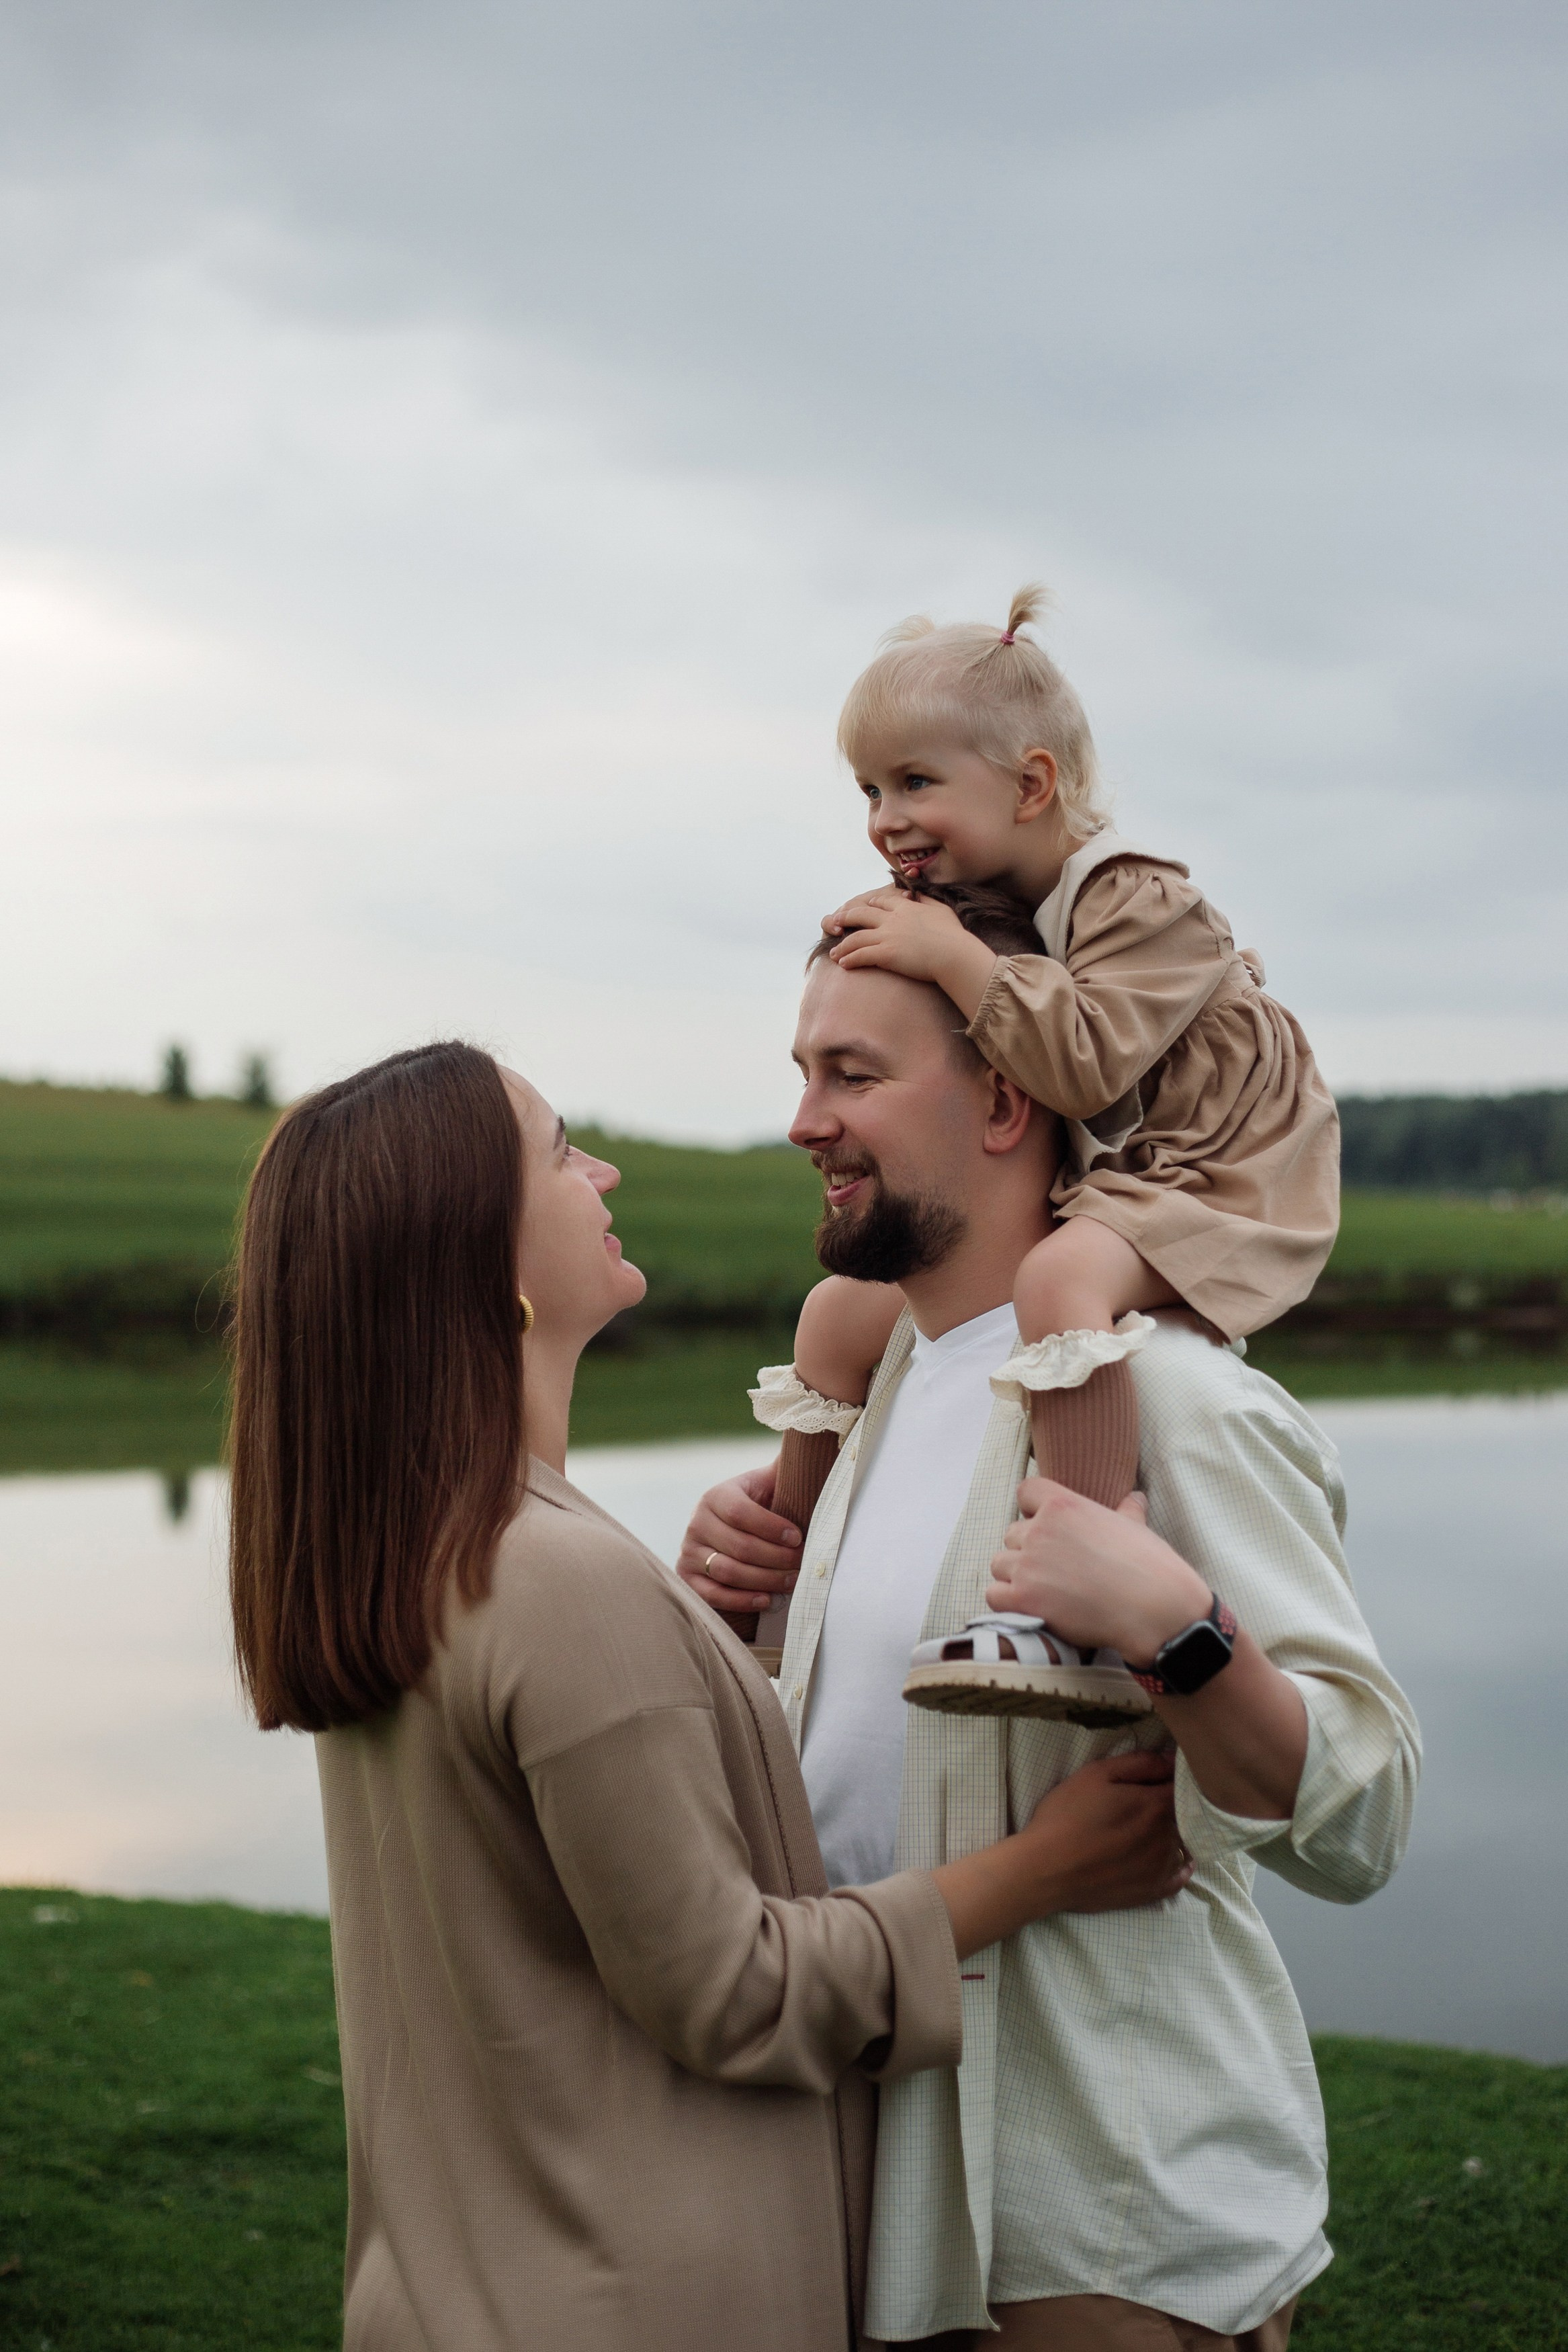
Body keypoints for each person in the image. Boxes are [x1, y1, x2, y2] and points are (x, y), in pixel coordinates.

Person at [225, 1038, 1192, 2352]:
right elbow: (733, 1986)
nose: (603, 1169)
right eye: (561, 1152)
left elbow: (585, 1878)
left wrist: (718, 1638)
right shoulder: (554, 1577)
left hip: (457, 2290)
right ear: (485, 1266)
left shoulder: (411, 1554)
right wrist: (1038, 1869)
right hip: (630, 2299)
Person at [679, 921, 1420, 2349]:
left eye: (849, 1074)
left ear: (1008, 1103)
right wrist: (730, 1604)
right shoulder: (878, 1383)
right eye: (802, 1071)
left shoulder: (1174, 1401)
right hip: (872, 2190)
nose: (802, 1121)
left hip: (1102, 2225)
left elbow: (1365, 1818)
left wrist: (1178, 1628)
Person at [777, 587, 1339, 1716]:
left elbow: (1076, 1068)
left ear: (1032, 786)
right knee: (841, 1312)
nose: (887, 816)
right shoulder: (1023, 913)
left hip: (1225, 1170)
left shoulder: (1133, 893)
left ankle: (1069, 1594)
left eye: (916, 782)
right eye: (871, 790)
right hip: (1144, 1162)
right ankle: (776, 1591)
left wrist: (943, 947)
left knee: (1060, 1276)